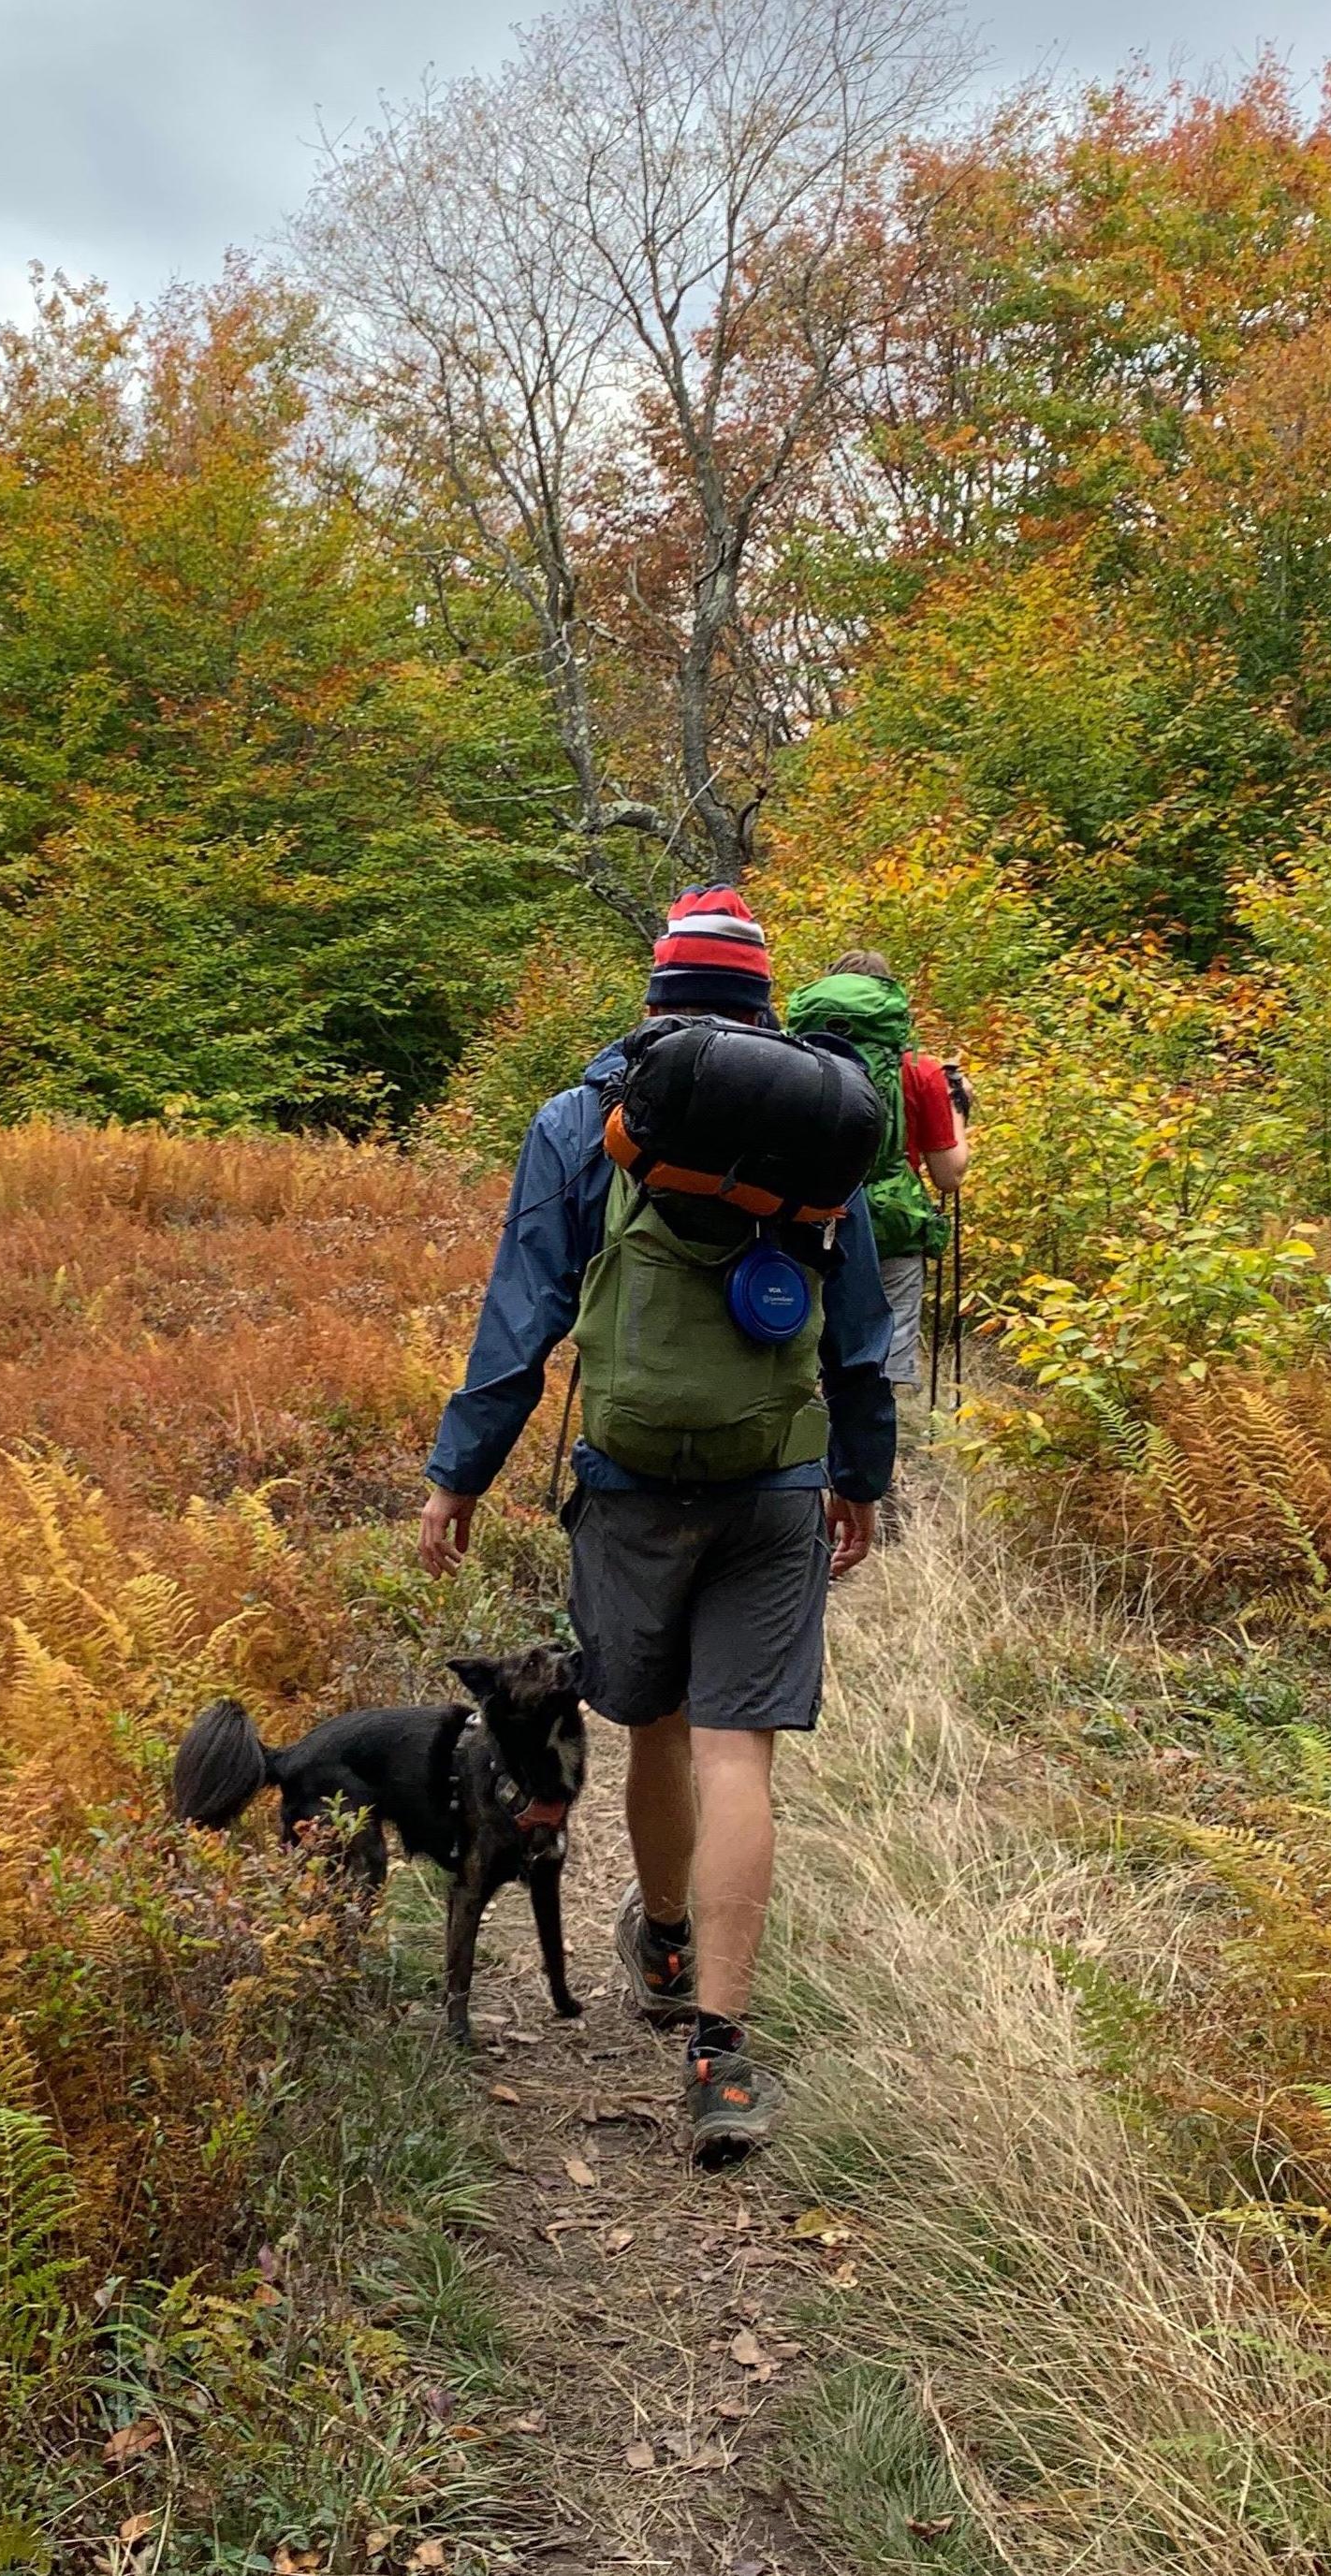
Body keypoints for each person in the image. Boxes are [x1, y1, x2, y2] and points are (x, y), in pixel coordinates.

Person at [417, 888, 896, 2166]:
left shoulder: (585, 1120)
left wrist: (458, 1472)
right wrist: (862, 1474)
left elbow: (521, 1315)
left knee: (661, 1729)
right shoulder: (822, 1121)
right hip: (776, 1477)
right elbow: (857, 1332)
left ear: (653, 998)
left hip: (631, 1478)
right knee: (741, 1751)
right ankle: (721, 2058)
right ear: (762, 1002)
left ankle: (667, 1938)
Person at [784, 951, 968, 1403]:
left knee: (800, 1351)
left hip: (803, 1215)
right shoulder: (922, 1070)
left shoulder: (789, 1057)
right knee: (886, 1362)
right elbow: (948, 1175)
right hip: (891, 1227)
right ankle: (884, 1462)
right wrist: (958, 1109)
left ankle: (807, 1457)